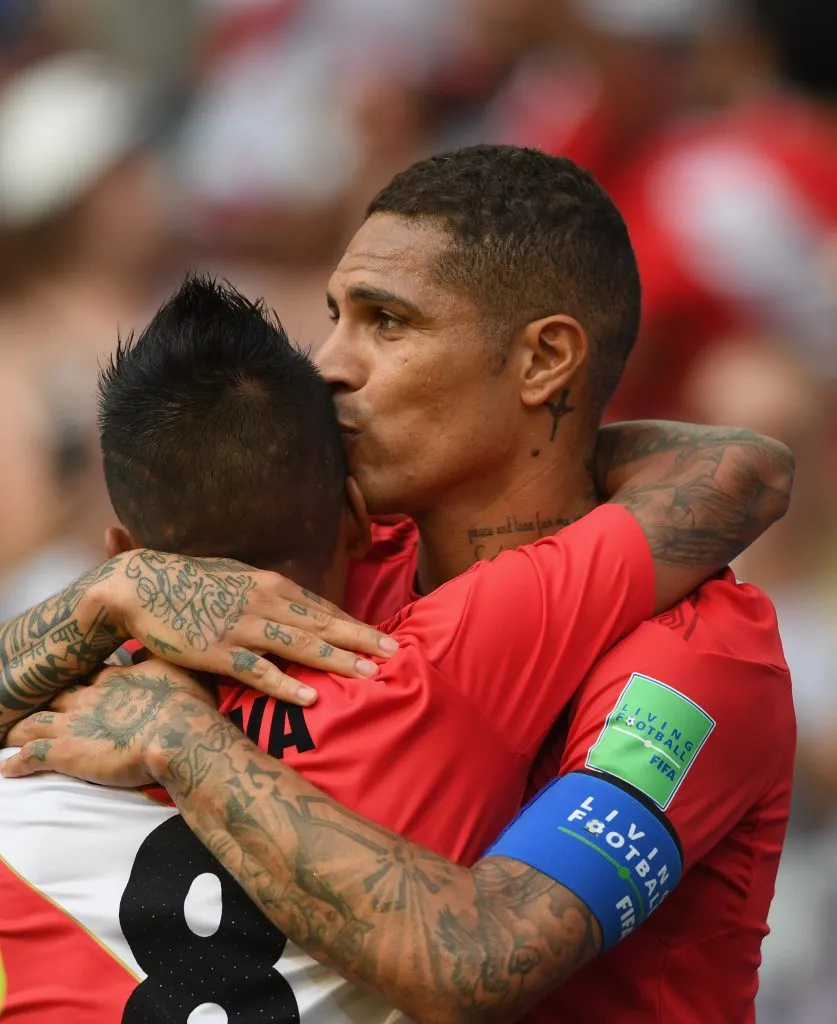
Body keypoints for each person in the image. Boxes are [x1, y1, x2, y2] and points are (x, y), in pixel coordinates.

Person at [2, 148, 793, 1022]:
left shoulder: (696, 659)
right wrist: (100, 598)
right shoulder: (328, 555)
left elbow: (485, 959)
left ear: (543, 361)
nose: (327, 364)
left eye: (387, 323)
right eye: (335, 316)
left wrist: (186, 744)